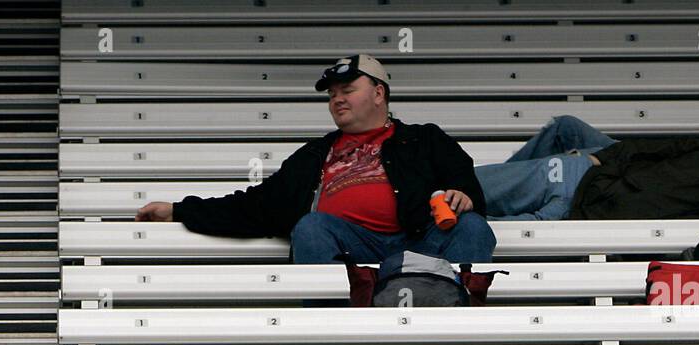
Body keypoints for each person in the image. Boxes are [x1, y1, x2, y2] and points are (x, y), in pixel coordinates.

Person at [134, 54, 495, 265]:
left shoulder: (424, 138)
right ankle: (331, 334)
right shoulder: (314, 155)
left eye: (348, 90)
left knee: (473, 226)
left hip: (419, 250)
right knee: (310, 227)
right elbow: (255, 206)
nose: (337, 100)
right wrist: (179, 211)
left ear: (379, 93)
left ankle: (454, 322)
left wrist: (461, 193)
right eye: (332, 95)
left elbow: (465, 184)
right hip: (352, 250)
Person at [476, 115, 699, 222]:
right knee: (478, 187)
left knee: (489, 225)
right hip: (592, 176)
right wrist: (604, 159)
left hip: (584, 212)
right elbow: (662, 147)